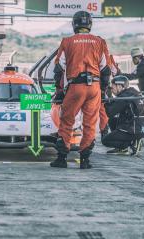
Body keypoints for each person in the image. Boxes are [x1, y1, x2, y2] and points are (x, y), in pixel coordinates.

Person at [50, 10, 111, 169]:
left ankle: (61, 159)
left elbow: (58, 69)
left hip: (76, 86)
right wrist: (103, 91)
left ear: (74, 24)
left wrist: (59, 90)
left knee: (67, 120)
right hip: (95, 87)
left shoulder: (67, 42)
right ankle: (85, 161)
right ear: (89, 24)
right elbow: (106, 70)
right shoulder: (100, 42)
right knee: (90, 123)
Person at [102, 76, 144, 155]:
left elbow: (110, 112)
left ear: (120, 86)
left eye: (112, 87)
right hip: (141, 128)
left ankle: (132, 142)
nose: (111, 90)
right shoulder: (133, 92)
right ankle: (123, 148)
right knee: (112, 120)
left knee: (105, 141)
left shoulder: (124, 97)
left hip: (134, 130)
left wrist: (106, 100)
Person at [99, 54, 120, 139]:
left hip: (102, 89)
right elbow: (117, 73)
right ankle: (105, 133)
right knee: (104, 112)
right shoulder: (108, 57)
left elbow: (116, 73)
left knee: (103, 112)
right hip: (104, 88)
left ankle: (105, 132)